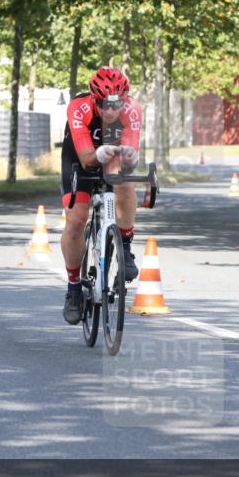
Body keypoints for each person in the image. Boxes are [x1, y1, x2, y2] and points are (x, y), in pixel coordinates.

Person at [60, 67, 142, 325]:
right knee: (76, 221)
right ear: (94, 99)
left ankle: (125, 248)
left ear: (125, 100)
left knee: (124, 181)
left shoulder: (132, 110)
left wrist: (129, 156)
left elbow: (129, 154)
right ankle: (74, 289)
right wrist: (98, 153)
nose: (109, 110)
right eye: (103, 104)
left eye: (116, 103)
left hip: (113, 156)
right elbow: (86, 160)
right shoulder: (78, 108)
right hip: (79, 158)